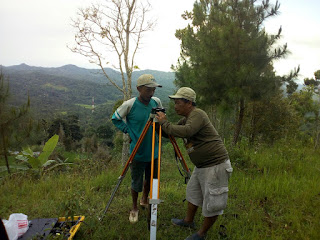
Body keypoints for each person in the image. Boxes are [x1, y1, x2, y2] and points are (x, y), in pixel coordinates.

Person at [156, 87, 233, 240]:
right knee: (193, 193)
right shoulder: (186, 118)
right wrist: (157, 125)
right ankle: (188, 221)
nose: (175, 106)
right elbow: (172, 131)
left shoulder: (198, 114)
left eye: (178, 103)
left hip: (215, 165)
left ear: (189, 103)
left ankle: (201, 234)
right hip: (202, 166)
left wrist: (165, 123)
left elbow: (187, 131)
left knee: (214, 201)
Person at [112, 74, 163, 223]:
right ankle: (134, 207)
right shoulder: (130, 104)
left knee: (151, 178)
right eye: (148, 90)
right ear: (139, 89)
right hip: (138, 151)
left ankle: (144, 199)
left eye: (153, 89)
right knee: (136, 181)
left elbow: (160, 119)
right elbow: (115, 118)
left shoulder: (156, 102)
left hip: (154, 149)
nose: (151, 93)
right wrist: (127, 130)